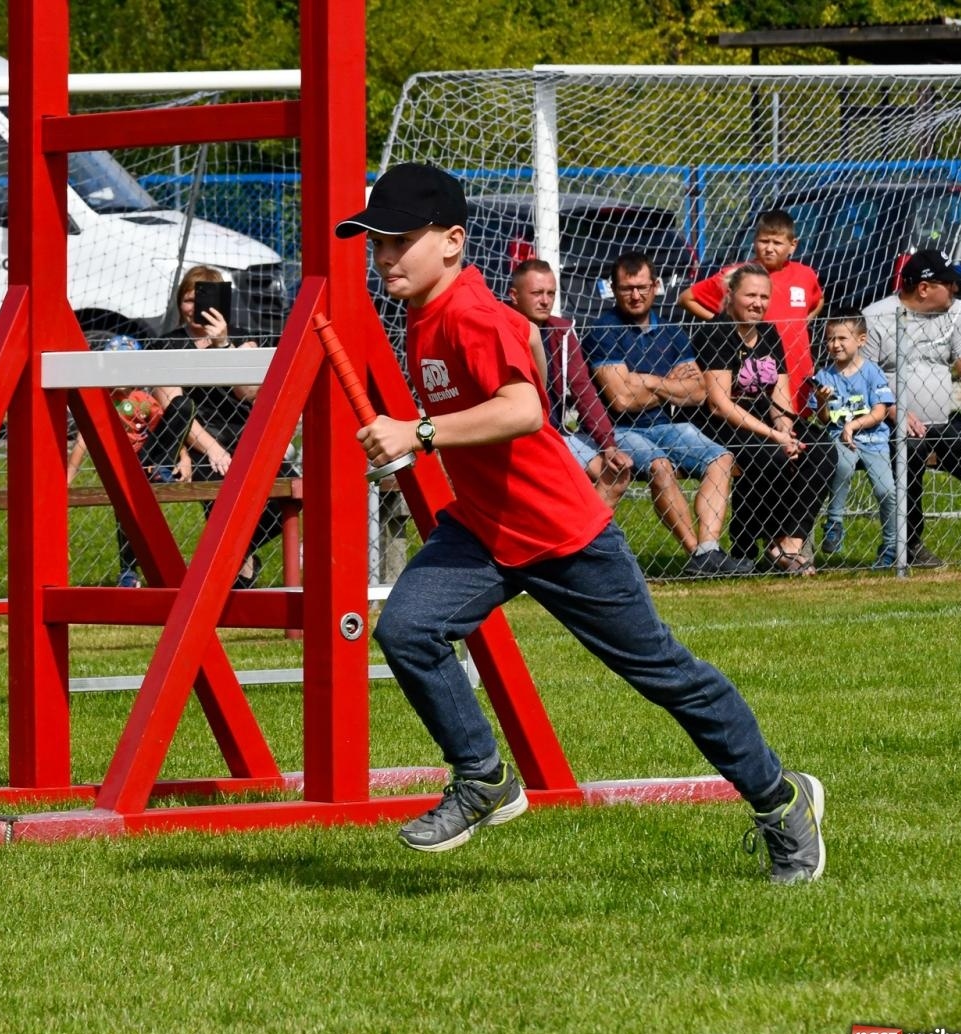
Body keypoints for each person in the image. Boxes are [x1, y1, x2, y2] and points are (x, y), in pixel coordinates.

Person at [337, 162, 825, 884]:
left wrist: (419, 433)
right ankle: (483, 777)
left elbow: (525, 410)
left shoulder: (475, 315)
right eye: (375, 243)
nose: (383, 258)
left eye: (398, 241)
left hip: (566, 536)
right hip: (483, 529)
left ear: (452, 242)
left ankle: (782, 801)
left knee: (665, 676)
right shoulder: (422, 312)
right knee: (406, 630)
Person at [583, 253, 754, 577]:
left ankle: (709, 549)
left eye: (642, 287)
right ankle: (698, 555)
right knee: (660, 466)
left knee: (721, 459)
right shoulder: (603, 329)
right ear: (613, 289)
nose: (635, 295)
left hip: (667, 424)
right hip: (618, 430)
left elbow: (698, 392)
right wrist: (667, 385)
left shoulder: (672, 331)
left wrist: (643, 381)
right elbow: (619, 400)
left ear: (656, 286)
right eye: (626, 288)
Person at [861, 249, 961, 568]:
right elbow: (862, 378)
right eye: (950, 282)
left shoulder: (956, 312)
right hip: (889, 421)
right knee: (911, 450)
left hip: (942, 421)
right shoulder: (876, 316)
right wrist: (895, 412)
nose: (957, 289)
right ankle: (908, 545)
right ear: (924, 288)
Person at [693, 264, 836, 574]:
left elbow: (780, 395)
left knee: (823, 447)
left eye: (763, 296)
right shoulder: (715, 331)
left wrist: (786, 427)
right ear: (731, 296)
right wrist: (775, 437)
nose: (757, 303)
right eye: (750, 295)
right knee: (771, 455)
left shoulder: (769, 332)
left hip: (763, 419)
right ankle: (748, 542)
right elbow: (719, 405)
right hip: (723, 423)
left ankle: (789, 542)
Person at [155, 264, 292, 588]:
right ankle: (230, 566)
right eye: (188, 299)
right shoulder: (168, 343)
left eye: (202, 299)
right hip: (199, 441)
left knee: (292, 487)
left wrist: (223, 345)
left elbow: (249, 393)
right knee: (220, 485)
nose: (194, 308)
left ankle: (232, 556)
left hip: (246, 434)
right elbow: (173, 406)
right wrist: (212, 449)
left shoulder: (242, 337)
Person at [64, 335, 196, 587]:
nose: (120, 373)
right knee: (126, 517)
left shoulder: (143, 400)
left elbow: (165, 430)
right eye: (114, 365)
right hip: (122, 465)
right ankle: (129, 571)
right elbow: (83, 438)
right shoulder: (101, 399)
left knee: (182, 408)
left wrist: (183, 456)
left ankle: (160, 468)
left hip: (149, 459)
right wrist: (70, 474)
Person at [507, 259, 633, 507]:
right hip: (516, 437)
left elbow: (583, 389)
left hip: (557, 434)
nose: (545, 300)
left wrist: (607, 443)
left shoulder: (561, 332)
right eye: (536, 293)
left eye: (550, 293)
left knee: (615, 473)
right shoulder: (499, 329)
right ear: (514, 295)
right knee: (562, 488)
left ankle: (584, 538)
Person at [680, 208, 824, 411]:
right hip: (759, 378)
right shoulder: (738, 275)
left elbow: (818, 301)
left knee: (801, 428)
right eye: (764, 241)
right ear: (754, 241)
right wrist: (725, 325)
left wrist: (804, 320)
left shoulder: (805, 275)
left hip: (799, 371)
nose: (769, 248)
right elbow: (688, 298)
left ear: (793, 246)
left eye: (777, 243)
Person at [811, 311, 898, 569]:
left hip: (874, 441)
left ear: (861, 340)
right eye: (829, 339)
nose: (834, 345)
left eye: (841, 338)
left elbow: (880, 411)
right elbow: (824, 420)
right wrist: (822, 401)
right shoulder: (824, 376)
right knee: (844, 465)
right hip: (840, 438)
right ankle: (834, 523)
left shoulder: (872, 372)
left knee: (887, 491)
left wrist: (854, 424)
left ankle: (891, 547)